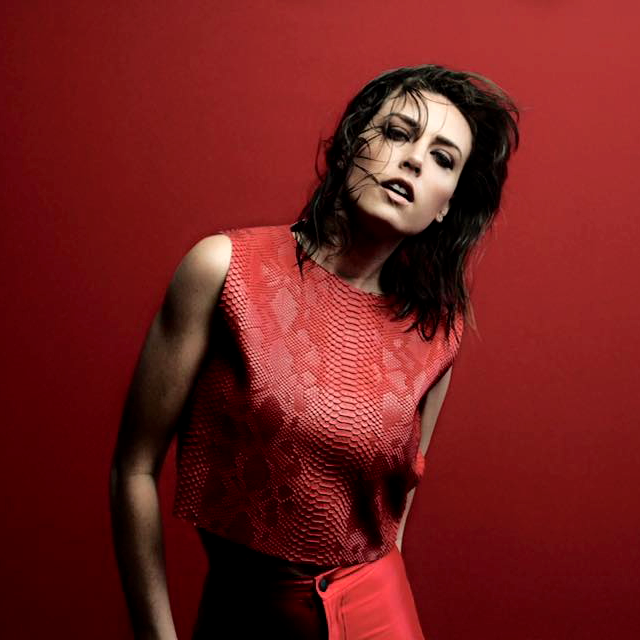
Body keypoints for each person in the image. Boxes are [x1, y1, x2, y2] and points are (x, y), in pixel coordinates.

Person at [110, 64, 519, 639]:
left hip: (375, 616)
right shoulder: (225, 270)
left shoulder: (434, 333)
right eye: (397, 132)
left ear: (444, 206)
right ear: (351, 143)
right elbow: (133, 468)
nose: (413, 160)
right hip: (244, 614)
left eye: (442, 159)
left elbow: (391, 520)